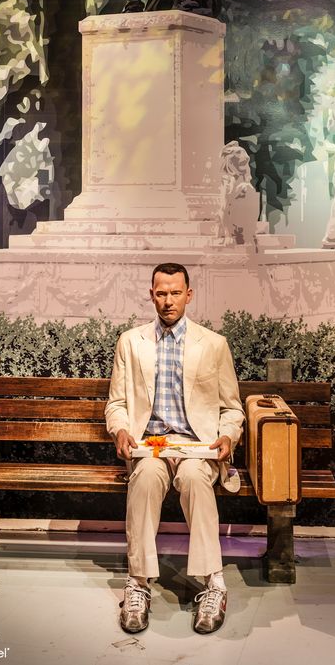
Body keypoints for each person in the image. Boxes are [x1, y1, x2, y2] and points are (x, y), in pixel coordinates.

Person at [105, 262, 244, 635]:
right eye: (161, 293)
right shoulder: (131, 342)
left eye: (175, 293)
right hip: (149, 446)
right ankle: (138, 582)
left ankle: (213, 583)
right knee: (147, 478)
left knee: (197, 480)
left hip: (196, 446)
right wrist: (119, 430)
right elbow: (116, 403)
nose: (168, 301)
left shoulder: (213, 344)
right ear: (152, 295)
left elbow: (232, 408)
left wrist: (228, 437)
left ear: (189, 295)